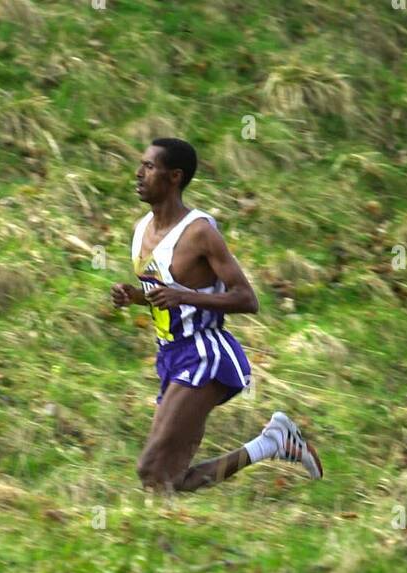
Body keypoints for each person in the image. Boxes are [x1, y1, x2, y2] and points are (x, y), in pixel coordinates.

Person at [111, 137, 323, 492]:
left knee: (150, 467)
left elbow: (247, 299)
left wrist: (184, 295)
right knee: (163, 481)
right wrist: (135, 297)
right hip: (170, 354)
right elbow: (165, 294)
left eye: (149, 167)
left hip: (204, 353)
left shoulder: (199, 232)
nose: (138, 173)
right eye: (141, 165)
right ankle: (271, 444)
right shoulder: (140, 230)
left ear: (175, 176)